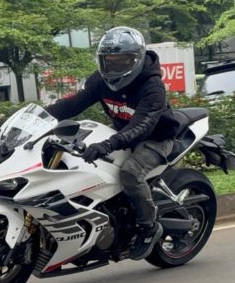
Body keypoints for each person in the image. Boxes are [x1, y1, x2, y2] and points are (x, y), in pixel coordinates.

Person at [46, 26, 182, 260]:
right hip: (121, 132)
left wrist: (107, 145)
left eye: (121, 61)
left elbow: (140, 127)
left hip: (156, 138)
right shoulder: (100, 80)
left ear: (136, 60)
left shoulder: (152, 86)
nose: (113, 66)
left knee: (130, 172)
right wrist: (41, 116)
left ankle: (148, 227)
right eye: (108, 61)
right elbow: (72, 104)